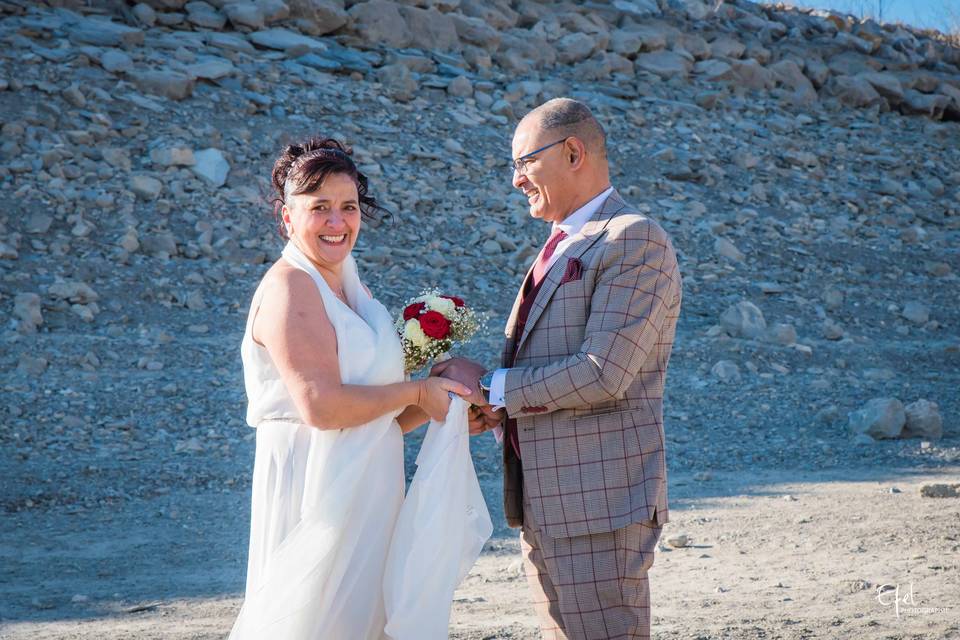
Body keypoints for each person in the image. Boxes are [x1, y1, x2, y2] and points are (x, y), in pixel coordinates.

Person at [434, 98, 683, 640]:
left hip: (600, 506)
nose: (516, 180)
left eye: (524, 163)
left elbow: (602, 372)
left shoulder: (633, 239)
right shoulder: (561, 243)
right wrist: (490, 402)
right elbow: (551, 368)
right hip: (546, 502)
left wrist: (494, 388)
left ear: (573, 152)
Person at [229, 136, 472, 639]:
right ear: (287, 218)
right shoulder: (291, 286)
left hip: (366, 485)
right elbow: (321, 407)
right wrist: (413, 393)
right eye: (319, 208)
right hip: (313, 485)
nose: (337, 222)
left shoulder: (353, 286)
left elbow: (378, 421)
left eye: (348, 207)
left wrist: (438, 395)